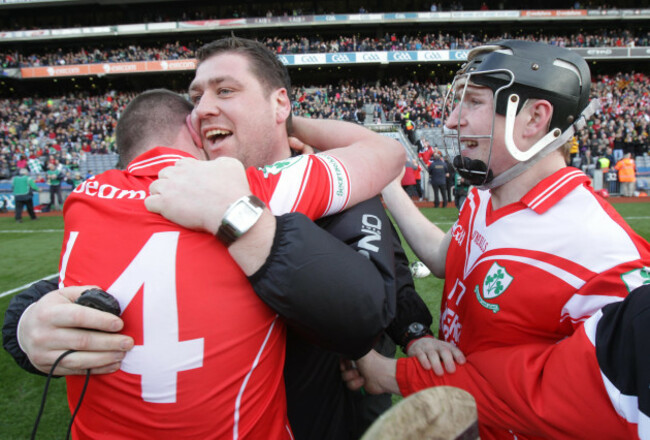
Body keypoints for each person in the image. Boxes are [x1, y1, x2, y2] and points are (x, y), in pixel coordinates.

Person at [4, 85, 404, 439]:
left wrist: (19, 323)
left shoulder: (84, 199)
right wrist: (24, 325)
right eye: (198, 102)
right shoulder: (249, 187)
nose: (210, 109)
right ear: (195, 131)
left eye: (225, 92)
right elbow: (386, 152)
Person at [343, 40, 650, 439]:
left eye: (472, 102)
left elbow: (601, 402)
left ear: (535, 118)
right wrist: (387, 182)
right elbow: (446, 258)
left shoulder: (601, 249)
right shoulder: (485, 194)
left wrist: (390, 374)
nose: (452, 121)